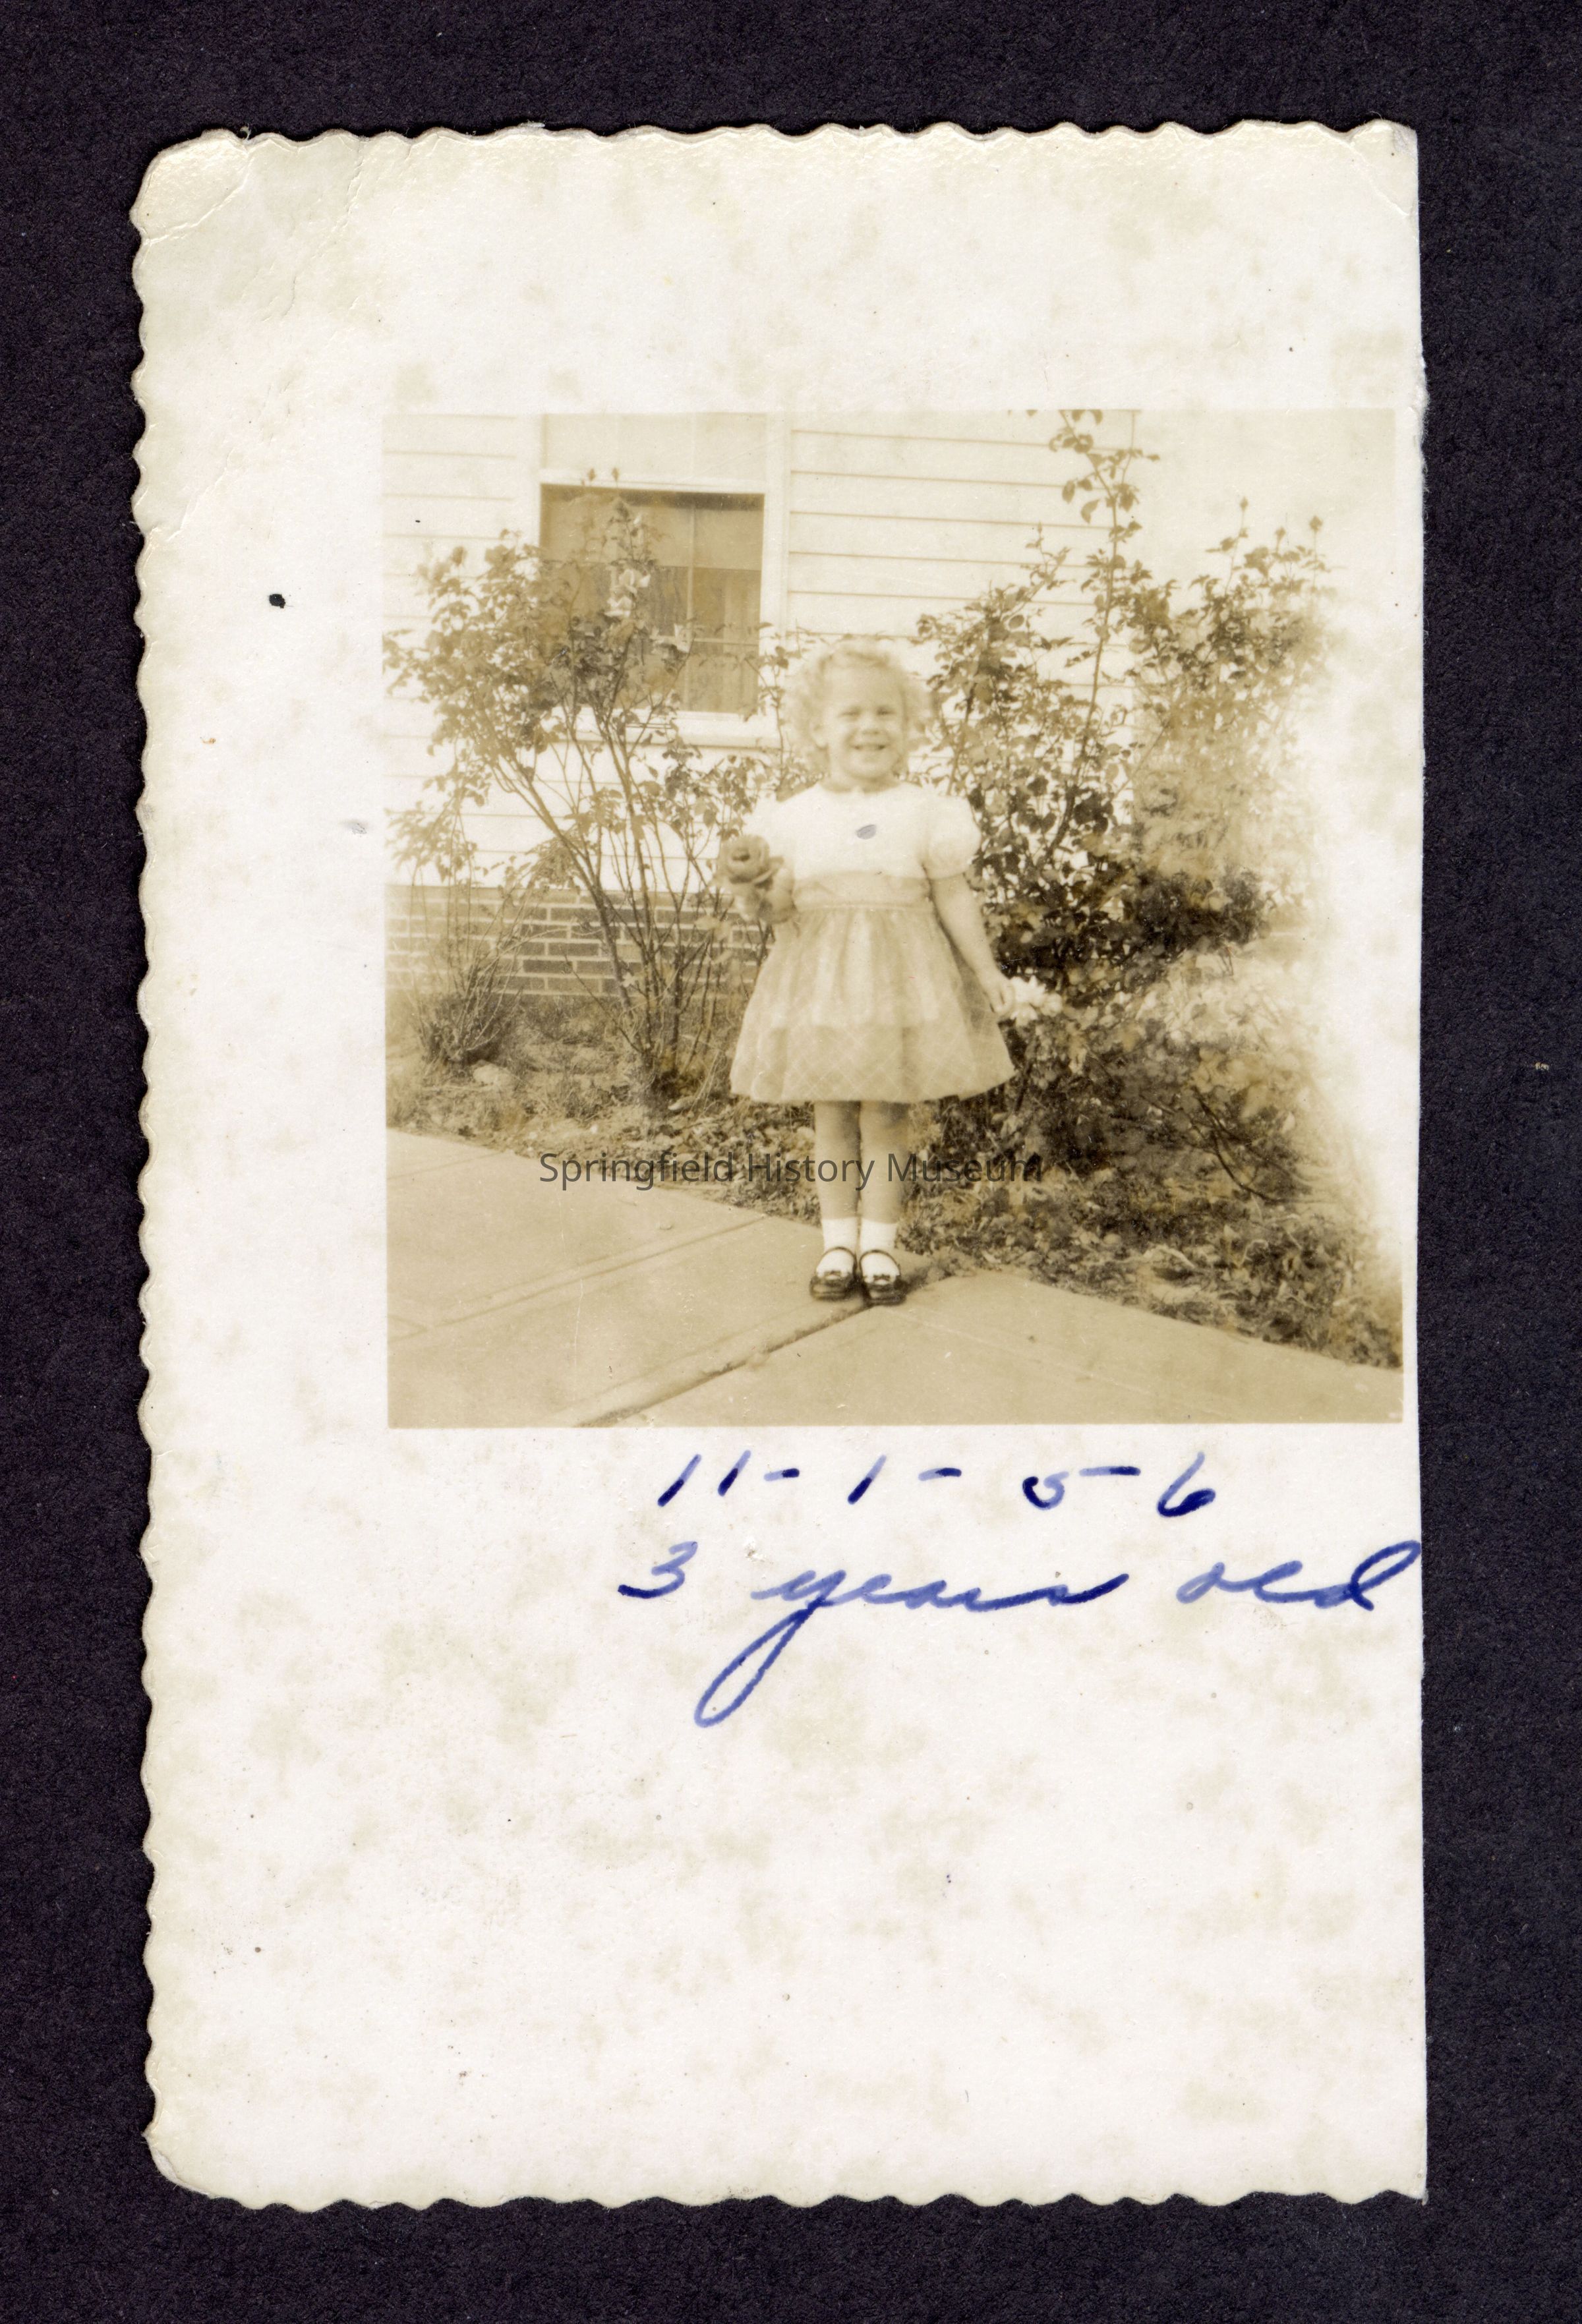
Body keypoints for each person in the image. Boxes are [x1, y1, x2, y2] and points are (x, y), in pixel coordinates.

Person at [722, 637, 1014, 1305]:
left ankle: (879, 1243)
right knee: (832, 1113)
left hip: (899, 985)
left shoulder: (925, 812)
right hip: (823, 987)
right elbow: (779, 906)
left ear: (908, 726)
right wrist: (756, 895)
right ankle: (837, 1242)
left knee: (886, 1114)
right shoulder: (792, 817)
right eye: (850, 714)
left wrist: (987, 971)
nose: (869, 727)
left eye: (885, 712)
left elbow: (953, 896)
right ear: (817, 730)